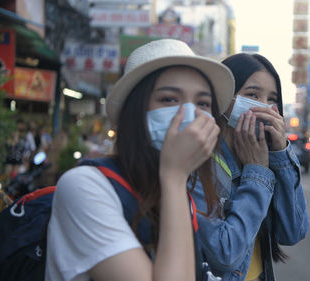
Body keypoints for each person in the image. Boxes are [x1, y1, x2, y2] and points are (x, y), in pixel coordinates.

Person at [45, 39, 235, 281]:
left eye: (203, 103)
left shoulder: (172, 191)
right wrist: (175, 176)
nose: (189, 114)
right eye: (169, 99)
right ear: (135, 113)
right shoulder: (84, 187)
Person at [191, 53, 309, 281]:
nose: (263, 107)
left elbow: (292, 232)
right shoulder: (199, 162)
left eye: (271, 99)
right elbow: (224, 254)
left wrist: (280, 153)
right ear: (223, 97)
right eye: (252, 95)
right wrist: (256, 172)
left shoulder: (266, 156)